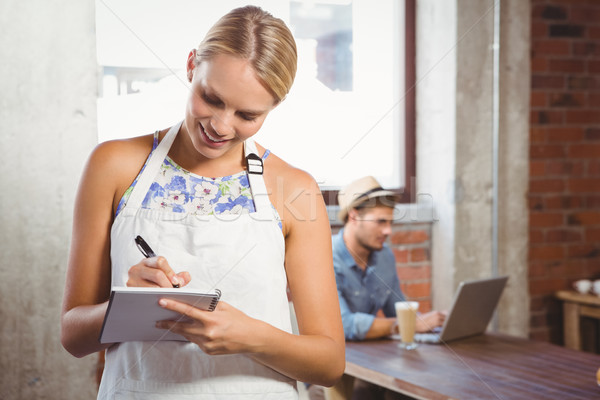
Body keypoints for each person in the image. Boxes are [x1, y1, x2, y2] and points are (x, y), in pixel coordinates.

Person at [60, 6, 345, 399]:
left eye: (247, 114)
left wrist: (251, 336)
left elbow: (329, 363)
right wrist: (129, 307)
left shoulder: (295, 189)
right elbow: (73, 336)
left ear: (275, 106)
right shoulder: (113, 165)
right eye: (211, 99)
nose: (221, 126)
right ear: (192, 65)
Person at [318, 176, 446, 400]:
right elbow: (344, 325)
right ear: (354, 216)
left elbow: (397, 308)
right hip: (332, 376)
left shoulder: (384, 255)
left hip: (371, 366)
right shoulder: (325, 257)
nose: (388, 231)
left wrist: (429, 324)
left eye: (390, 223)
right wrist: (406, 325)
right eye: (380, 222)